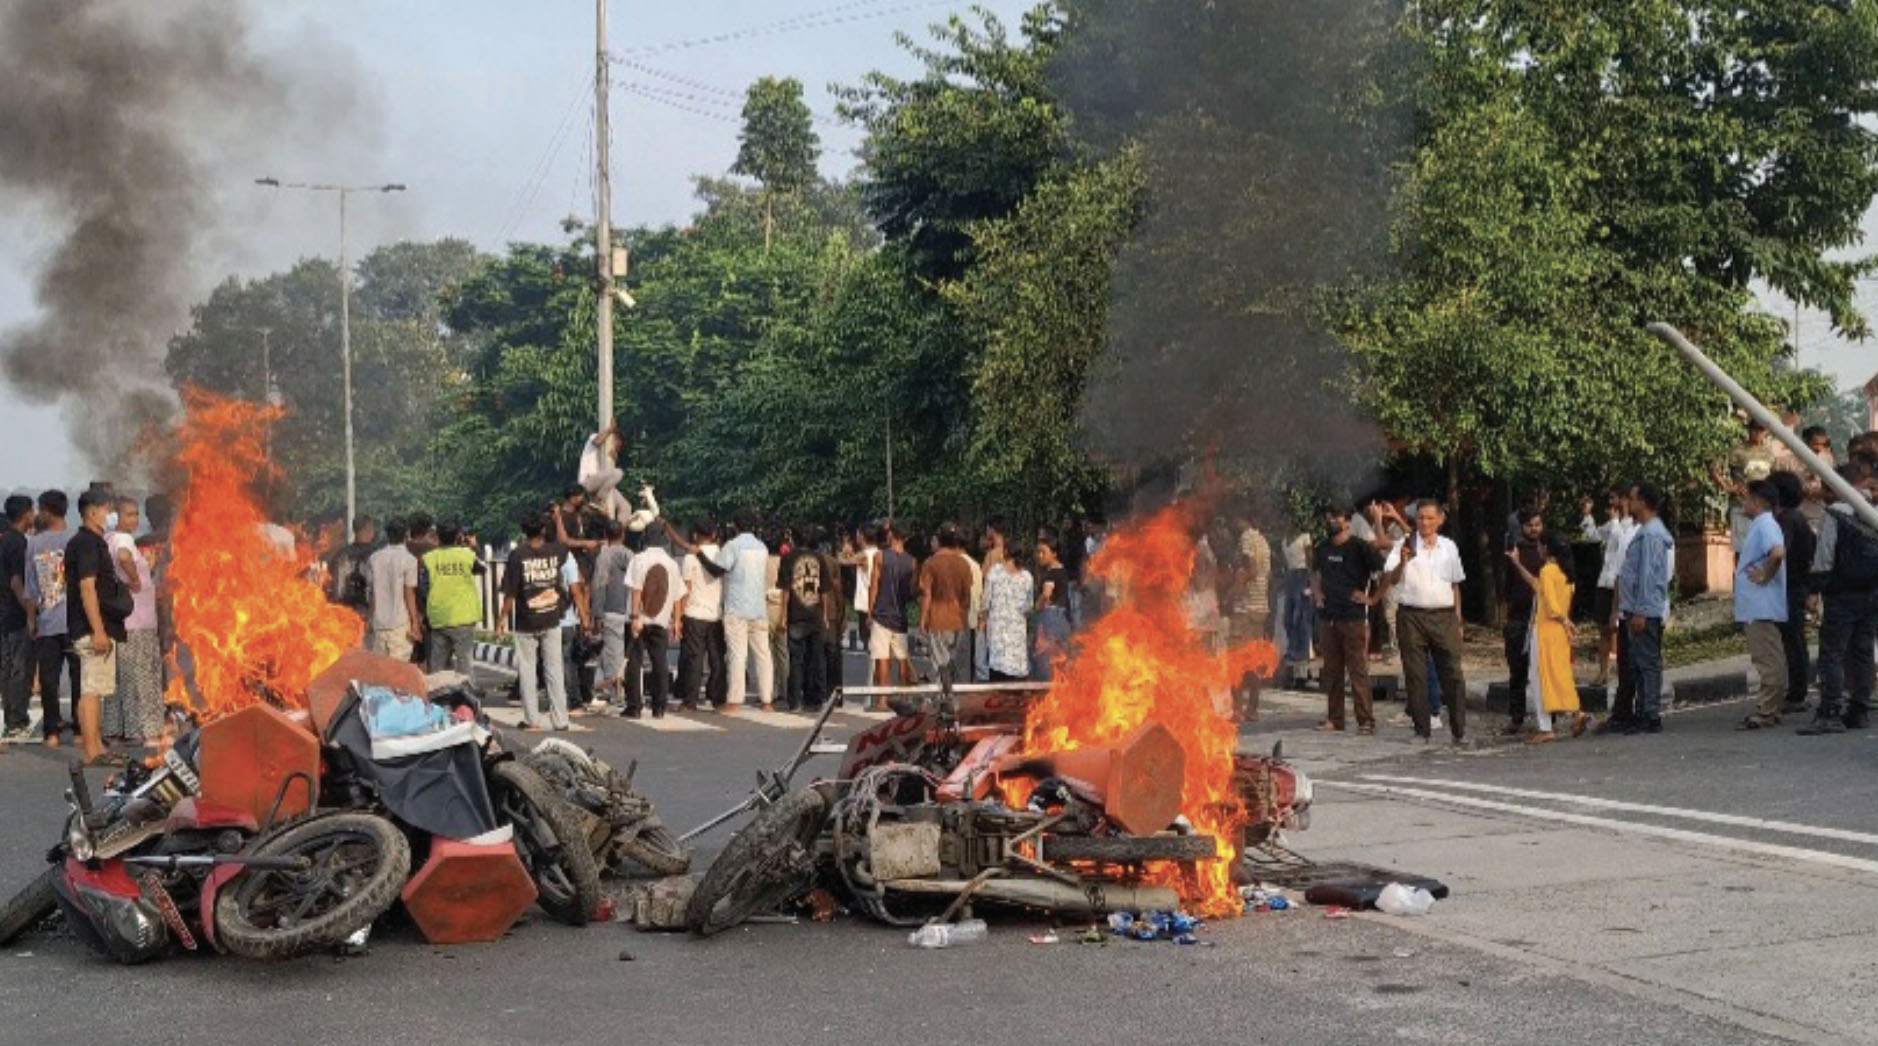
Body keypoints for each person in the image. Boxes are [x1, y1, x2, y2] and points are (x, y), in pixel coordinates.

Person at [1798, 461, 1878, 734]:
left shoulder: (1836, 514)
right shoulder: (1873, 510)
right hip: (1871, 592)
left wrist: (1813, 590)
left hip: (1841, 593)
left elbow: (1824, 558)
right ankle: (1860, 710)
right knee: (1863, 651)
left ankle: (1830, 711)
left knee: (1833, 651)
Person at [1382, 500, 1468, 744]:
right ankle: (1421, 730)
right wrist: (1403, 560)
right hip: (1411, 616)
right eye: (1421, 518)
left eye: (1430, 518)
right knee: (1416, 674)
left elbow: (1455, 585)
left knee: (1452, 672)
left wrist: (1458, 620)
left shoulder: (1448, 547)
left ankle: (1458, 730)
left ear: (1440, 520)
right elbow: (1392, 579)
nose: (1425, 523)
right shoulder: (1404, 544)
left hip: (1444, 615)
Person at [495, 513, 582, 732]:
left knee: (527, 670)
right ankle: (560, 719)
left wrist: (501, 620)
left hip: (526, 622)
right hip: (552, 619)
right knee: (554, 670)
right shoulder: (555, 551)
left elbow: (510, 594)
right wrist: (558, 517)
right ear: (543, 530)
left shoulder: (518, 555)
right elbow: (565, 541)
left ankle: (532, 719)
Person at [1600, 483, 1673, 735]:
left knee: (1646, 663)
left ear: (1643, 502)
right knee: (1637, 664)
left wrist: (1641, 610)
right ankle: (1643, 711)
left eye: (1631, 499)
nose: (1627, 504)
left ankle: (1650, 714)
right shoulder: (1645, 532)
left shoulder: (1651, 535)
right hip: (1637, 610)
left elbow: (1648, 577)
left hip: (1645, 611)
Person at [66, 489, 130, 764]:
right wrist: (100, 630)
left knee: (90, 689)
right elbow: (87, 587)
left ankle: (96, 747)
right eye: (107, 509)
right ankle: (93, 752)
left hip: (90, 626)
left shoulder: (89, 542)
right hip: (93, 628)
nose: (110, 514)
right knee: (92, 691)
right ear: (92, 512)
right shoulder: (88, 544)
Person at [1506, 534, 1590, 743]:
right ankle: (1576, 712)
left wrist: (1563, 619)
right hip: (1560, 632)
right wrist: (1517, 563)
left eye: (1540, 546)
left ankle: (1546, 728)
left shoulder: (1547, 571)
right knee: (1560, 674)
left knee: (1538, 677)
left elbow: (1551, 606)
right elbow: (1537, 586)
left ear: (1546, 548)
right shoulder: (1566, 573)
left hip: (1544, 630)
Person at [1312, 506, 1383, 735]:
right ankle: (1335, 719)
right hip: (1328, 618)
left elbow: (1386, 572)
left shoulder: (1360, 547)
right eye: (1329, 518)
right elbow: (1314, 574)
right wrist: (1317, 594)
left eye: (1336, 518)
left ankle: (1365, 721)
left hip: (1353, 619)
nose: (1331, 521)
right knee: (1332, 672)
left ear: (1348, 523)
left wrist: (1372, 598)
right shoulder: (1321, 548)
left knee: (1358, 671)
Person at [1733, 479, 1789, 730]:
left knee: (1766, 660)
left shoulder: (1765, 524)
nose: (1743, 502)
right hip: (1761, 605)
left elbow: (1777, 552)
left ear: (1757, 501)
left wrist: (1765, 575)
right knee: (1773, 658)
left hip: (1759, 605)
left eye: (1747, 498)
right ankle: (1773, 708)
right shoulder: (1763, 524)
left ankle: (1766, 710)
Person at [25, 490, 78, 746]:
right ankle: (79, 730)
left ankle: (52, 731)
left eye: (40, 509)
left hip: (48, 621)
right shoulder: (77, 539)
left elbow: (31, 588)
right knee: (78, 678)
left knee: (49, 679)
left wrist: (31, 620)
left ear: (47, 511)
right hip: (75, 622)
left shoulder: (34, 543)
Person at [107, 498, 160, 746]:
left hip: (125, 621)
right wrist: (135, 580)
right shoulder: (123, 539)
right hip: (137, 620)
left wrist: (143, 568)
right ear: (116, 516)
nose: (134, 519)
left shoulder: (108, 537)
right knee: (141, 676)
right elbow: (124, 556)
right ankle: (143, 730)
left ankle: (118, 729)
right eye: (129, 514)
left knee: (123, 678)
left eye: (136, 514)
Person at [707, 511, 772, 710]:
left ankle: (734, 701)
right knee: (763, 656)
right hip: (759, 608)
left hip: (737, 608)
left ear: (735, 526)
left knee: (737, 655)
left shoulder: (733, 546)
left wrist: (699, 555)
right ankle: (767, 700)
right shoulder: (762, 547)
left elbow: (717, 569)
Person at [1580, 489, 1637, 688]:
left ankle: (1623, 672)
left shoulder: (1632, 527)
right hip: (1605, 580)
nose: (1612, 503)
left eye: (1615, 498)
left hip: (1620, 582)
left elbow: (1623, 545)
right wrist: (1587, 515)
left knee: (1619, 629)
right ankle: (1603, 672)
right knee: (1603, 628)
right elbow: (1594, 536)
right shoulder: (1614, 524)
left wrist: (1614, 522)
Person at [1770, 472, 1816, 714]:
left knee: (1792, 641)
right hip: (1797, 585)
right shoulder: (1798, 518)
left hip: (1789, 587)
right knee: (1795, 639)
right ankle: (1797, 690)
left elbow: (1780, 552)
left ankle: (1796, 693)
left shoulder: (1786, 520)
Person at [624, 533, 684, 718]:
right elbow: (677, 595)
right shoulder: (673, 564)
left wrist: (635, 616)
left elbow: (636, 589)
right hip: (661, 619)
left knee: (635, 661)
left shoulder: (639, 559)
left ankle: (634, 706)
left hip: (640, 618)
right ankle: (659, 706)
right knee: (660, 661)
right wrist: (676, 621)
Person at [1500, 508, 1547, 736]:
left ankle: (1547, 718)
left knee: (1542, 670)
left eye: (1538, 524)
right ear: (1522, 527)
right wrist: (1506, 618)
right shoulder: (1514, 550)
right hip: (1518, 618)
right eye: (1530, 525)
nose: (1534, 529)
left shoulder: (1547, 550)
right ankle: (1516, 717)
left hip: (1541, 617)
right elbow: (1507, 587)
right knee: (1517, 670)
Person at [672, 519, 727, 711]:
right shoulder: (722, 554)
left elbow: (686, 589)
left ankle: (690, 700)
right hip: (717, 613)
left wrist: (677, 618)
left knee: (694, 658)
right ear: (713, 535)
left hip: (694, 612)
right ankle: (718, 698)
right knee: (717, 657)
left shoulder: (690, 557)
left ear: (695, 535)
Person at [422, 521, 484, 678]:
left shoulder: (429, 558)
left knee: (437, 666)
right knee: (465, 664)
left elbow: (423, 586)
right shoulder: (467, 555)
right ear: (458, 536)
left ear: (438, 537)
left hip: (438, 617)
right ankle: (466, 699)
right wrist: (474, 545)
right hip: (463, 617)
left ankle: (437, 698)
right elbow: (483, 568)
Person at [776, 527, 829, 712]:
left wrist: (782, 616)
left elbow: (786, 590)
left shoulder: (789, 558)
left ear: (794, 539)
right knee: (815, 659)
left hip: (796, 615)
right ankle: (814, 700)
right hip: (815, 614)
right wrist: (824, 615)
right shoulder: (819, 559)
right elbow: (824, 590)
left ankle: (794, 702)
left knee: (796, 659)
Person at [918, 523, 976, 688]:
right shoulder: (964, 564)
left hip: (938, 620)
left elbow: (927, 594)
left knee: (940, 664)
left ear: (940, 539)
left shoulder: (931, 563)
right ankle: (951, 697)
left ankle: (943, 700)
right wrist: (963, 617)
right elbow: (967, 596)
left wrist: (923, 619)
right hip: (958, 621)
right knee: (951, 662)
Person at [868, 522, 918, 703]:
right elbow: (912, 592)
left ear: (892, 535)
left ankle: (883, 699)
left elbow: (874, 586)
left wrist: (870, 612)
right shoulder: (912, 562)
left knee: (882, 657)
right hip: (900, 615)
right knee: (902, 657)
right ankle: (904, 697)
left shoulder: (880, 557)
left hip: (882, 613)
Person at [0, 494, 33, 739]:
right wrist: (30, 610)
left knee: (8, 666)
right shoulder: (18, 542)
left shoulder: (5, 540)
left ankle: (12, 717)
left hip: (5, 612)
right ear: (26, 514)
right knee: (19, 669)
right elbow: (16, 581)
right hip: (15, 613)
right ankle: (17, 720)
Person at [590, 520, 633, 709]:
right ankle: (612, 690)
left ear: (606, 536)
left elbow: (599, 586)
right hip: (631, 611)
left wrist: (596, 614)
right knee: (622, 654)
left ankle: (616, 694)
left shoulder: (604, 557)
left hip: (610, 610)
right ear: (623, 535)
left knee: (611, 654)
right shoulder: (631, 556)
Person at [365, 517, 421, 661]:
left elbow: (373, 595)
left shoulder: (374, 558)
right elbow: (409, 593)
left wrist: (369, 619)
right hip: (400, 626)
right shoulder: (409, 560)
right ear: (406, 534)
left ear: (387, 534)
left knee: (381, 674)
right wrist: (415, 622)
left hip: (379, 624)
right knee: (399, 672)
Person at [1718, 419, 1777, 554]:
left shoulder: (1769, 454)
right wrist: (1728, 487)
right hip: (1742, 504)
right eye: (1755, 429)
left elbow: (1774, 476)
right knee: (1743, 548)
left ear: (1766, 432)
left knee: (1763, 547)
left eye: (1761, 430)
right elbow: (1715, 466)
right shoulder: (1737, 450)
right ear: (1749, 430)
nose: (1757, 433)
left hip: (1763, 507)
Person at [983, 541, 1035, 682]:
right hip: (1017, 632)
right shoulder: (1027, 577)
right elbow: (1028, 607)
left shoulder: (995, 572)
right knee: (1017, 675)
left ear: (1006, 552)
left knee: (997, 676)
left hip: (997, 633)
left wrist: (984, 618)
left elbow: (986, 601)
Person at [1032, 531, 1074, 682]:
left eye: (1043, 552)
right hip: (1064, 620)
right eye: (1038, 552)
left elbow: (1046, 594)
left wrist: (1037, 606)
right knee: (1062, 659)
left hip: (1051, 620)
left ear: (1054, 553)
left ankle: (1046, 693)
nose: (1039, 556)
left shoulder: (1051, 573)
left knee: (1046, 659)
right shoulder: (1062, 571)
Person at [975, 522, 1007, 681]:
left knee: (983, 644)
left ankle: (984, 676)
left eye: (987, 528)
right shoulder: (1008, 553)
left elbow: (983, 580)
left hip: (991, 604)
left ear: (992, 530)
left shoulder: (992, 555)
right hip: (1005, 605)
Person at [327, 515, 376, 617]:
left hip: (345, 614)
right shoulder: (377, 555)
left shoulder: (341, 555)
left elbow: (335, 587)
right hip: (370, 612)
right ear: (368, 529)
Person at [1281, 527, 1314, 667]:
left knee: (1300, 615)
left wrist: (1311, 582)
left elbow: (1310, 559)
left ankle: (1302, 652)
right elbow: (1286, 561)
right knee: (1288, 617)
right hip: (1291, 575)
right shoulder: (1284, 539)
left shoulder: (1305, 537)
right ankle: (1293, 648)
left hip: (1302, 574)